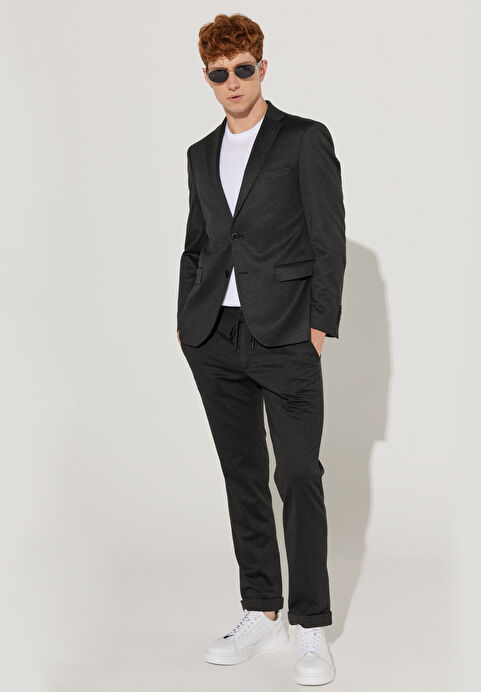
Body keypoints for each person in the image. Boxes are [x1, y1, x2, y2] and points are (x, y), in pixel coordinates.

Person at [176, 12, 346, 686]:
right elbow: (196, 243)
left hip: (286, 332)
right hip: (214, 337)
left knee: (298, 475)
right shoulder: (199, 154)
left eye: (243, 69)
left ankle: (310, 626)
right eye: (219, 73)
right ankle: (261, 610)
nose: (233, 82)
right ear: (208, 78)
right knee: (242, 475)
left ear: (262, 68)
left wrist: (319, 321)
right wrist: (186, 318)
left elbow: (328, 235)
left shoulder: (303, 139)